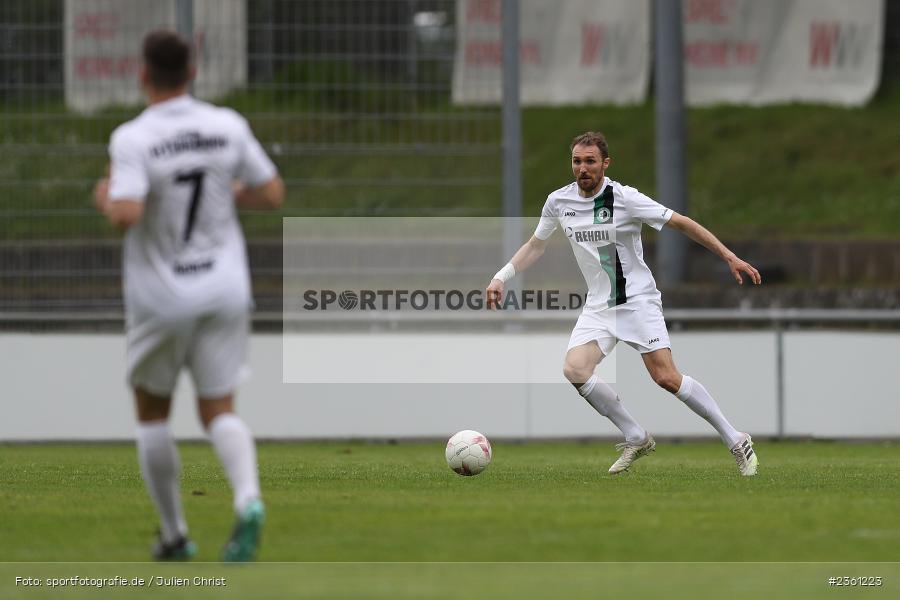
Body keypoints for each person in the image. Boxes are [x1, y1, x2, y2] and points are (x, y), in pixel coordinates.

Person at [93, 31, 284, 560]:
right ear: (193, 71)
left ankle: (175, 535)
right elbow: (271, 190)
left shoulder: (133, 137)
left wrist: (106, 197)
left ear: (143, 75)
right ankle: (248, 501)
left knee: (153, 412)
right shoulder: (226, 125)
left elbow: (127, 212)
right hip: (224, 287)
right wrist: (228, 195)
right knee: (219, 407)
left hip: (161, 294)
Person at [486, 131, 760, 476]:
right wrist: (501, 276)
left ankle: (736, 439)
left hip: (637, 301)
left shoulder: (625, 199)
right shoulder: (558, 202)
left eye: (589, 161)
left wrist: (729, 256)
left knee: (666, 378)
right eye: (576, 161)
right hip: (599, 307)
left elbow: (683, 223)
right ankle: (636, 436)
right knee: (575, 369)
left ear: (605, 163)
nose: (582, 168)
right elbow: (536, 245)